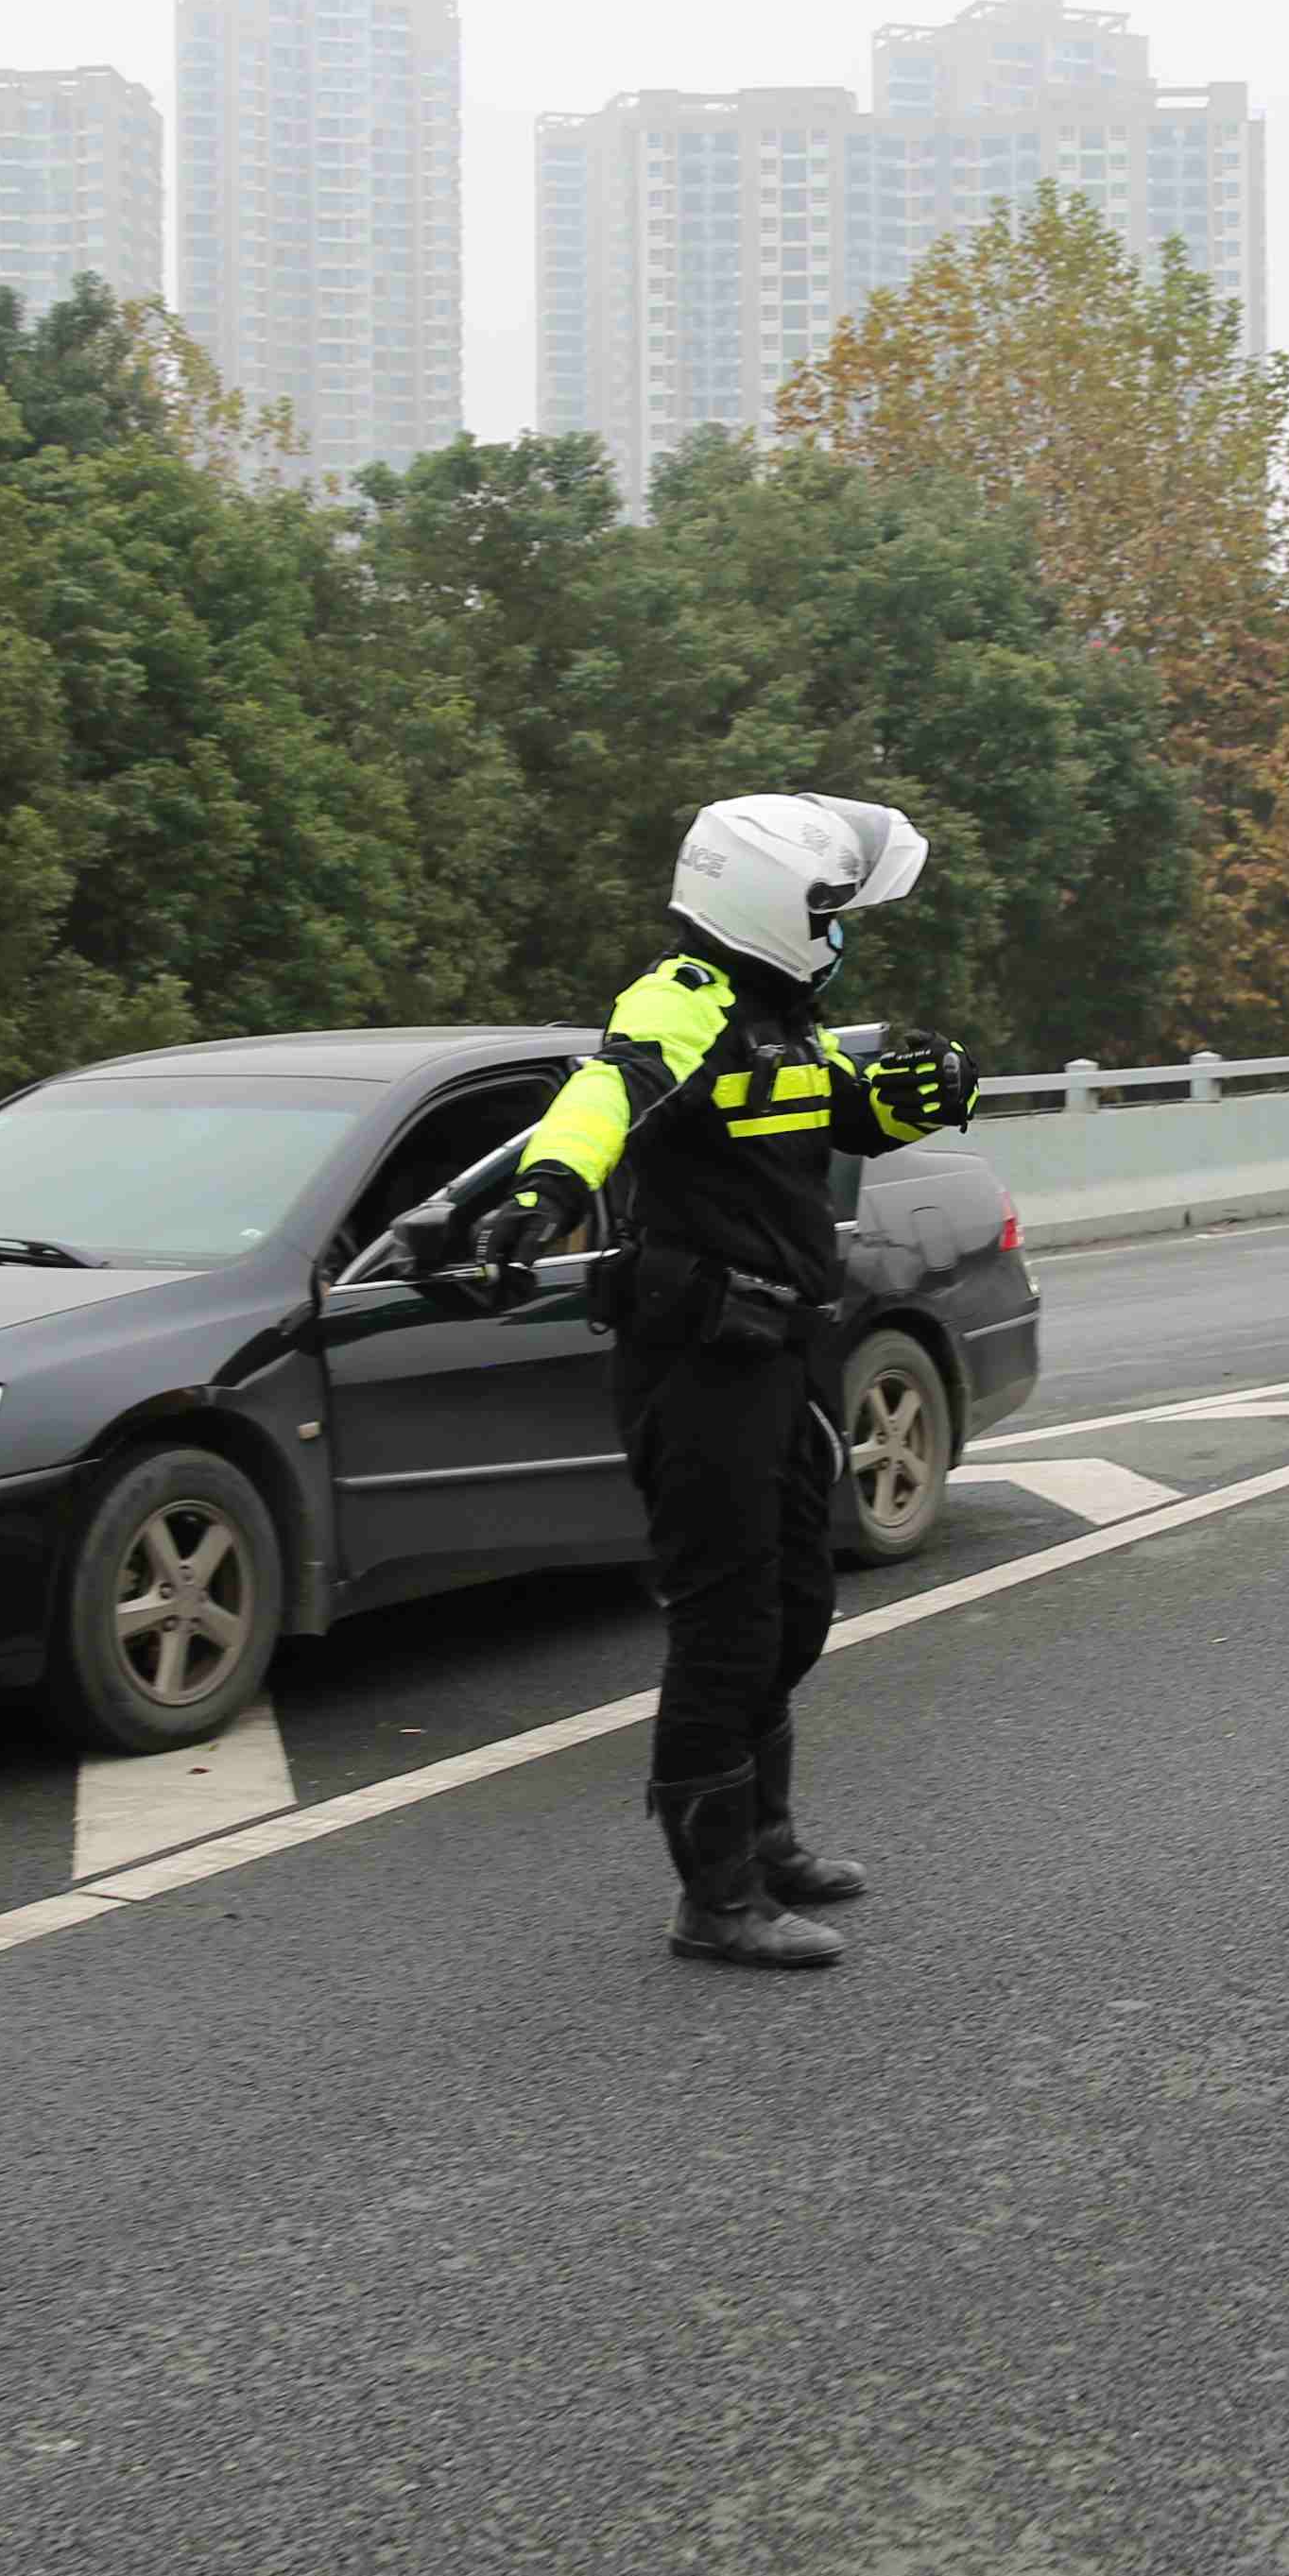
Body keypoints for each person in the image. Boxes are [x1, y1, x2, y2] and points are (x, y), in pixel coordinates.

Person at [472, 795, 983, 1968]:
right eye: (828, 911)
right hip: (698, 1364)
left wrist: (912, 1100)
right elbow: (608, 1091)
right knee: (728, 1625)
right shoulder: (682, 1000)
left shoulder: (781, 1024)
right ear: (768, 905)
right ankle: (715, 1899)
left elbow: (825, 1119)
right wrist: (547, 1191)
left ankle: (767, 1836)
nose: (841, 933)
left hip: (782, 1357)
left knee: (795, 1606)